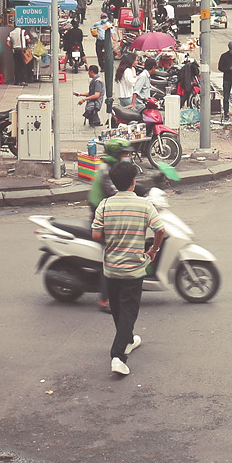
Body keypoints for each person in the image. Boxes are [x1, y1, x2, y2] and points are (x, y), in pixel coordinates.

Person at [93, 158, 161, 376]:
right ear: (133, 182)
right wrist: (153, 251)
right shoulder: (144, 205)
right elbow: (160, 230)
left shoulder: (105, 205)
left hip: (111, 268)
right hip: (133, 270)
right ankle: (118, 356)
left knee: (118, 310)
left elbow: (96, 234)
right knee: (129, 311)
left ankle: (129, 340)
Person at [7, 21, 30, 86]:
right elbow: (28, 40)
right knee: (23, 66)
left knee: (17, 66)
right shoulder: (23, 31)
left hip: (15, 51)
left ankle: (16, 81)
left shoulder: (11, 33)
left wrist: (12, 47)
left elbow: (7, 43)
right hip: (22, 50)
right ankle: (23, 81)